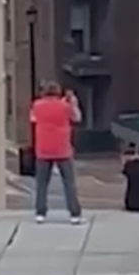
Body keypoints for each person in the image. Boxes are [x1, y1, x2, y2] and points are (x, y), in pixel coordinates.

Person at [29, 80, 84, 222]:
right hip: (62, 148)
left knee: (41, 183)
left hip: (43, 148)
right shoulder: (65, 106)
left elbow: (33, 118)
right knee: (69, 183)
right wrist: (73, 103)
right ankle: (74, 214)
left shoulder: (37, 105)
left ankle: (40, 213)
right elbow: (77, 118)